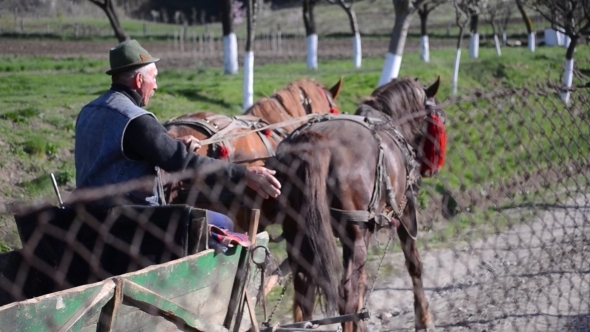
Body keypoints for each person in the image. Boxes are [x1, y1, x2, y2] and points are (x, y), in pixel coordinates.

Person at [74, 39, 281, 231]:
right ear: (139, 80)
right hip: (130, 221)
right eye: (153, 77)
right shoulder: (136, 120)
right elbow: (183, 162)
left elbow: (117, 156)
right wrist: (244, 174)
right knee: (223, 223)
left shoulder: (89, 111)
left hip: (86, 214)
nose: (155, 85)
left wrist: (169, 142)